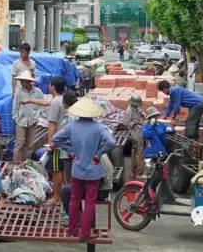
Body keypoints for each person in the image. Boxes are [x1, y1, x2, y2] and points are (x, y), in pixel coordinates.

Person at [51, 97, 116, 240]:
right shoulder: (99, 127)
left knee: (74, 200)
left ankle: (72, 229)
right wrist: (98, 154)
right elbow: (111, 142)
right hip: (94, 170)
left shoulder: (71, 126)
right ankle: (85, 233)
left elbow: (56, 139)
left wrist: (70, 152)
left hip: (77, 168)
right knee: (90, 202)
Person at [21, 76, 67, 202]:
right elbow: (45, 102)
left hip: (57, 142)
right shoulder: (62, 99)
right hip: (66, 140)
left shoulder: (56, 103)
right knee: (62, 168)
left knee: (56, 169)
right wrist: (30, 101)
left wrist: (50, 143)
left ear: (52, 86)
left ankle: (57, 196)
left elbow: (51, 125)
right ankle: (63, 190)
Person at [12, 70, 44, 162]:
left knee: (30, 144)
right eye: (21, 81)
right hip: (21, 121)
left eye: (23, 81)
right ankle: (16, 163)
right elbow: (15, 107)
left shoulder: (38, 92)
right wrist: (16, 118)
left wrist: (37, 115)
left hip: (32, 121)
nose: (22, 83)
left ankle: (26, 163)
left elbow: (43, 104)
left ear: (29, 81)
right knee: (19, 144)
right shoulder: (19, 93)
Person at [123, 96, 145, 178]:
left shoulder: (135, 108)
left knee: (135, 153)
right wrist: (134, 123)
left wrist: (141, 114)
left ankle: (133, 172)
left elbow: (139, 112)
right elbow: (125, 123)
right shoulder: (129, 111)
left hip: (138, 132)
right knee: (139, 154)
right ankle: (139, 173)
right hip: (135, 134)